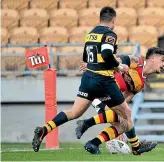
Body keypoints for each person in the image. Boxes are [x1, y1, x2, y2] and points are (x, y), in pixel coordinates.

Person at [32, 6, 152, 155]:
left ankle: (45, 129)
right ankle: (136, 147)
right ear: (113, 20)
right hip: (104, 80)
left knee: (74, 112)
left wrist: (108, 65)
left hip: (88, 78)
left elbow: (87, 57)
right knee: (126, 114)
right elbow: (107, 53)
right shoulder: (109, 34)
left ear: (100, 19)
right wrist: (119, 66)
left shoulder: (91, 34)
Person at [76, 47, 164, 154]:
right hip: (99, 87)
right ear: (153, 58)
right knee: (123, 117)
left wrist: (123, 119)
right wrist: (94, 67)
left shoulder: (141, 84)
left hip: (109, 97)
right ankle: (87, 123)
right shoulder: (137, 61)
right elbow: (115, 61)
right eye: (162, 60)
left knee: (122, 124)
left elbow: (124, 101)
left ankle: (93, 143)